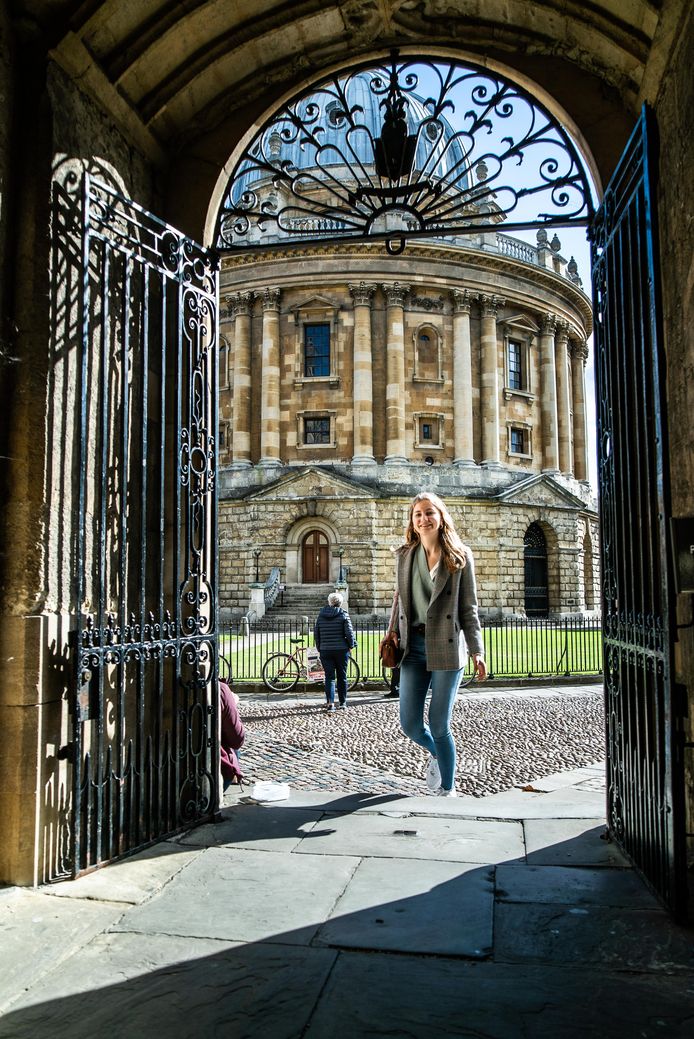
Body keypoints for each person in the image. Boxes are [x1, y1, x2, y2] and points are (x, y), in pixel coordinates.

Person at [383, 492, 487, 796]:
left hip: (446, 646)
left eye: (429, 513)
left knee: (439, 724)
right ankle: (439, 755)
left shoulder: (460, 555)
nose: (424, 519)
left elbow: (469, 608)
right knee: (411, 725)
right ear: (412, 522)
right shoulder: (404, 554)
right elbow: (399, 599)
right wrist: (391, 631)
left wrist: (477, 650)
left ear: (441, 517)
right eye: (418, 514)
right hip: (411, 646)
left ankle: (447, 788)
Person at [314, 590, 356, 712]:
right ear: (340, 603)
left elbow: (317, 634)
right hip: (341, 650)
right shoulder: (343, 614)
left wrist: (320, 647)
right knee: (342, 676)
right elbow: (349, 633)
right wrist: (351, 645)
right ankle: (342, 703)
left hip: (325, 650)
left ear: (329, 602)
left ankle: (330, 704)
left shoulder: (321, 615)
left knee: (329, 677)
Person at [220, 679, 245, 791]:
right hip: (214, 777)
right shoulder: (220, 689)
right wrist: (231, 703)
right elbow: (237, 740)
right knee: (230, 735)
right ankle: (234, 774)